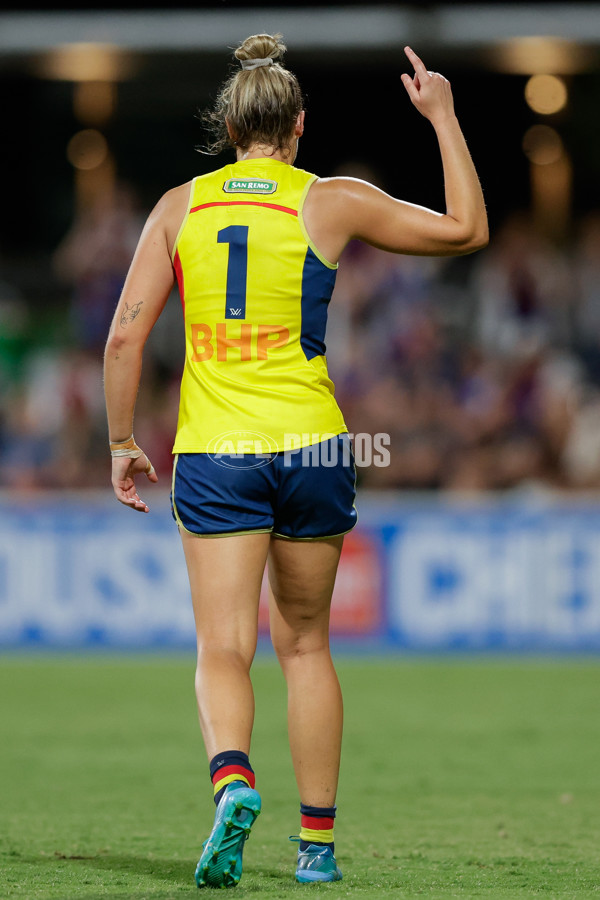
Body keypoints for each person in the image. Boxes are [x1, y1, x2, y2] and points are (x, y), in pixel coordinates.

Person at [104, 33, 487, 888]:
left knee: (223, 648)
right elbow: (468, 229)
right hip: (316, 445)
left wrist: (123, 440)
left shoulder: (180, 207)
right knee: (307, 645)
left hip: (219, 449)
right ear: (299, 125)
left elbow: (126, 333)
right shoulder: (328, 199)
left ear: (227, 126)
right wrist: (444, 117)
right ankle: (316, 848)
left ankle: (234, 780)